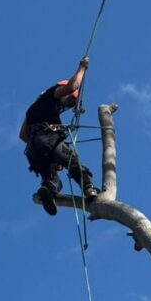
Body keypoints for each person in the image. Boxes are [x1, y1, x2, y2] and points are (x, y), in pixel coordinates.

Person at [19, 57, 99, 216]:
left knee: (52, 181)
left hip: (33, 149)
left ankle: (47, 192)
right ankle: (89, 189)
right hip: (48, 138)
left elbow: (22, 135)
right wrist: (82, 68)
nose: (68, 105)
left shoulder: (34, 109)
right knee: (72, 162)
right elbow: (72, 86)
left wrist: (49, 154)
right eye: (70, 100)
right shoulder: (52, 94)